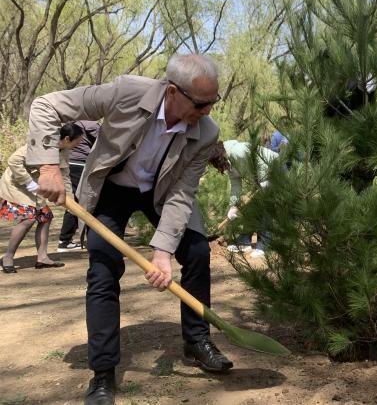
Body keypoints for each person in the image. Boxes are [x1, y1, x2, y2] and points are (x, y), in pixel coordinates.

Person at [26, 54, 231, 405]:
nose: (208, 111)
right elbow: (46, 105)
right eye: (201, 103)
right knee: (104, 267)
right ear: (172, 92)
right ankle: (103, 372)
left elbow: (182, 194)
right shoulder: (125, 92)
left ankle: (196, 341)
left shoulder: (206, 132)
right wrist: (48, 166)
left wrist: (163, 252)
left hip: (163, 193)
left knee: (196, 252)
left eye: (213, 101)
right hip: (112, 188)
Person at [1, 122, 84, 273]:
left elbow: (64, 175)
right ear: (67, 139)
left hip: (36, 186)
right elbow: (13, 161)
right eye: (78, 141)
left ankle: (42, 258)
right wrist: (28, 183)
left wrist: (69, 200)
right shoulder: (43, 144)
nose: (79, 144)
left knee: (45, 216)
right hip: (16, 184)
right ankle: (7, 257)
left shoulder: (64, 151)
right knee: (29, 218)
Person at [221, 139, 279, 258]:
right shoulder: (228, 164)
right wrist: (233, 206)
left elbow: (259, 159)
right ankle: (245, 240)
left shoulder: (239, 151)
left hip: (275, 168)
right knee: (249, 206)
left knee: (266, 207)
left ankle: (265, 243)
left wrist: (264, 180)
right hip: (260, 179)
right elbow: (236, 185)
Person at [57, 120, 100, 251]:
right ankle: (65, 240)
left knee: (75, 199)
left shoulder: (73, 123)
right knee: (82, 200)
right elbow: (105, 141)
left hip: (72, 164)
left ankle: (65, 239)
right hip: (80, 165)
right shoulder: (91, 124)